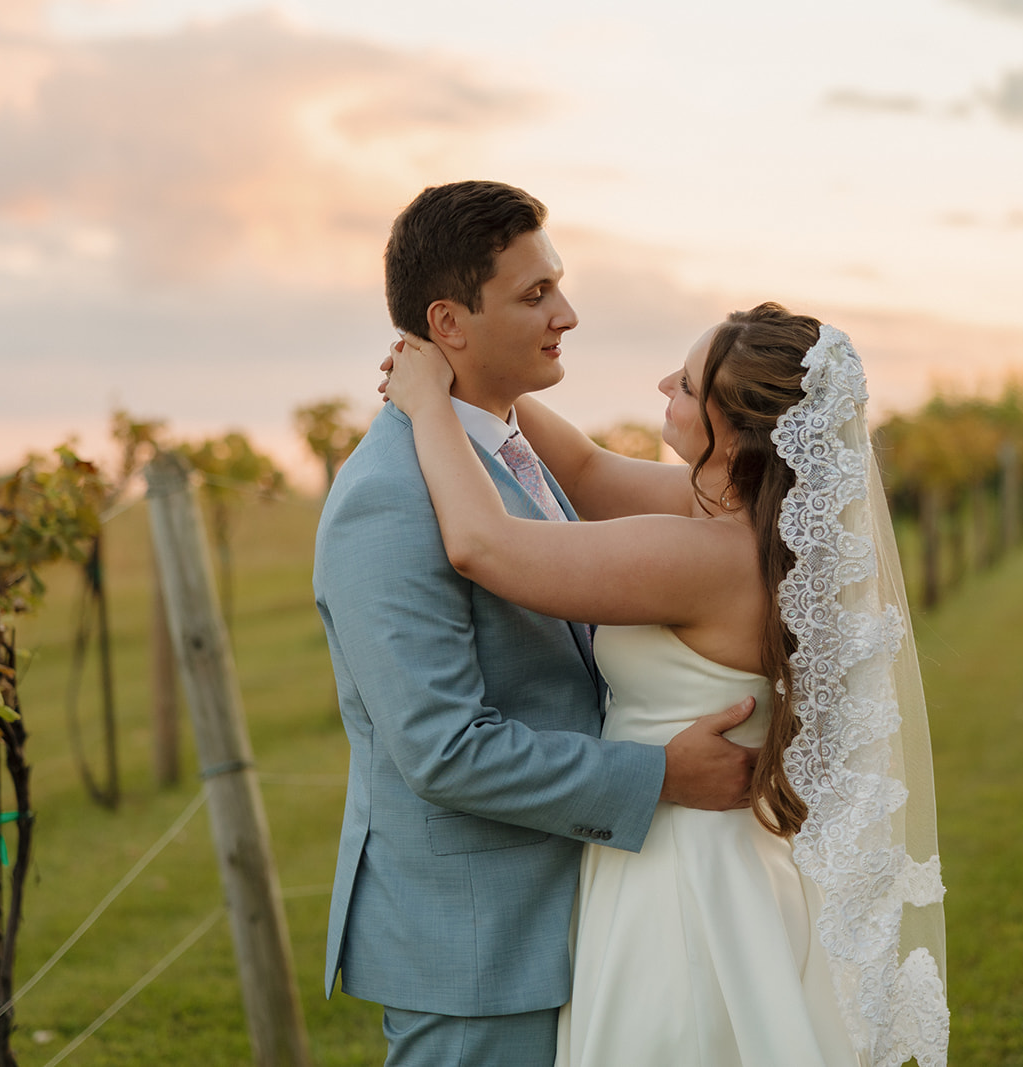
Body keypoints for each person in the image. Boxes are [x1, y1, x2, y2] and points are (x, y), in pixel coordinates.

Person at [385, 302, 950, 1066]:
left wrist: (427, 405)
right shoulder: (757, 524)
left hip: (679, 875)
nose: (662, 385)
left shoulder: (706, 558)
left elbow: (484, 547)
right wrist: (481, 375)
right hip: (728, 859)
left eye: (684, 384)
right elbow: (585, 470)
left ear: (735, 432)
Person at [313, 180, 760, 1067]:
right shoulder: (390, 499)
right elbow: (444, 749)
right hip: (479, 950)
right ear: (448, 322)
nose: (568, 313)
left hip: (582, 917)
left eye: (558, 284)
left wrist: (446, 391)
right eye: (535, 294)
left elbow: (575, 480)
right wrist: (659, 775)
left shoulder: (505, 450)